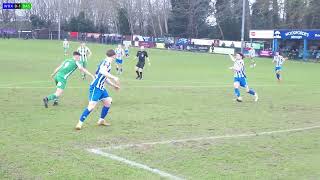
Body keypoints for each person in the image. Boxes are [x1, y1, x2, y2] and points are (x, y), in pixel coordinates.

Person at [76, 49, 120, 130]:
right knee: (91, 106)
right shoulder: (106, 63)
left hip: (101, 88)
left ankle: (101, 120)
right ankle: (79, 123)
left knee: (108, 102)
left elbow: (104, 77)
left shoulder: (106, 62)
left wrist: (113, 85)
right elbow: (102, 72)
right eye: (115, 55)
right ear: (114, 55)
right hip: (96, 87)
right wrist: (114, 77)